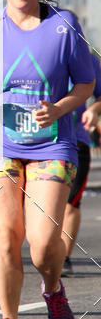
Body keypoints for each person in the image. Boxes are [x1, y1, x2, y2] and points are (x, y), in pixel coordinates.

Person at [0, 0, 94, 319]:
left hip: (52, 143)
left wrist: (58, 108)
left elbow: (85, 83)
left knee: (43, 245)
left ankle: (52, 286)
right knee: (6, 236)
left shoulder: (64, 24)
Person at [60, 50, 101, 276]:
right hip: (36, 143)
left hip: (76, 141)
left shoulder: (85, 56)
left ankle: (64, 257)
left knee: (70, 202)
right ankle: (46, 251)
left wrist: (94, 109)